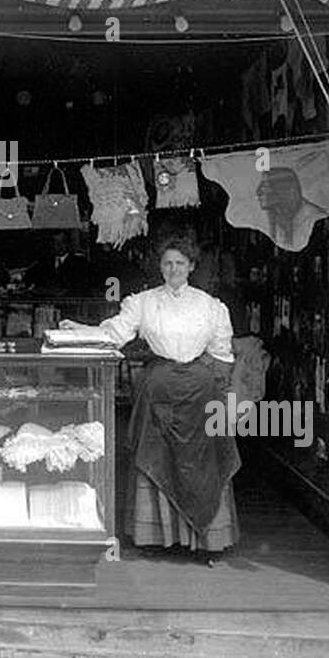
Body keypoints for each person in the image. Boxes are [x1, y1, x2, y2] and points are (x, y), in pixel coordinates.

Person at [60, 235, 238, 562]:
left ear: (192, 267)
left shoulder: (211, 306)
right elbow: (112, 333)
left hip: (201, 393)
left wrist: (223, 401)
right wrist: (77, 331)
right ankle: (158, 537)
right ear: (160, 266)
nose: (173, 269)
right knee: (157, 456)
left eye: (180, 264)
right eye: (168, 263)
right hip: (158, 390)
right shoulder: (141, 302)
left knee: (203, 465)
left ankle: (206, 542)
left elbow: (222, 357)